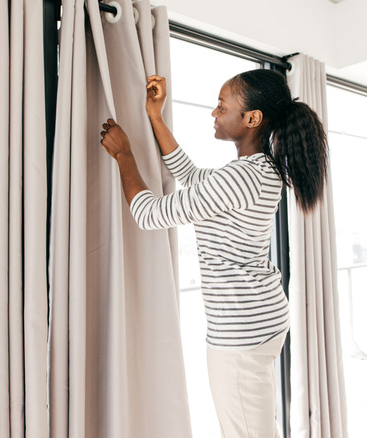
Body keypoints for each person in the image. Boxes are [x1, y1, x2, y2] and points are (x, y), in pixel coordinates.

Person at [99, 69, 328, 438]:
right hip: (262, 320)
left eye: (222, 106)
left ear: (251, 119)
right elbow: (190, 176)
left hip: (240, 336)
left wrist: (124, 153)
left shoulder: (241, 177)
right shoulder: (262, 171)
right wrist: (155, 117)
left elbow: (150, 214)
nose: (214, 113)